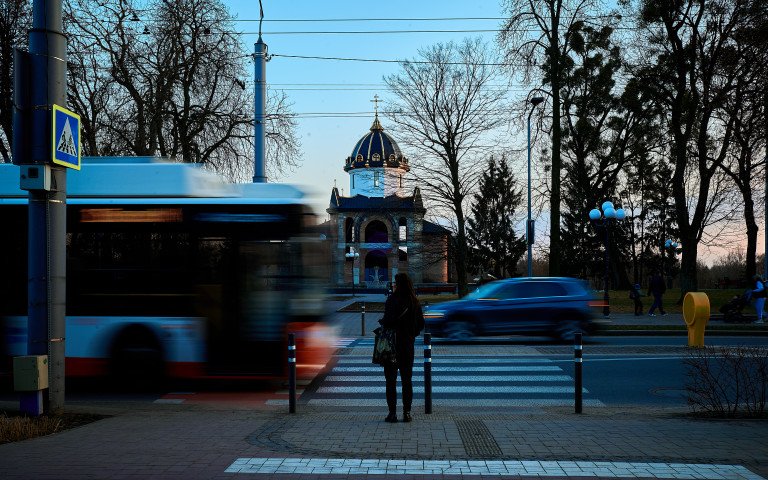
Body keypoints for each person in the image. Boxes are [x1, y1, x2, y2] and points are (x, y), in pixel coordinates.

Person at [378, 272, 425, 423]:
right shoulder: (414, 302)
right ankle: (407, 413)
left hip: (392, 347)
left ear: (398, 284)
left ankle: (392, 413)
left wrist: (383, 322)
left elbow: (388, 321)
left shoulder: (391, 300)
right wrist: (411, 334)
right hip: (407, 346)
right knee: (407, 380)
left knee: (390, 381)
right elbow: (421, 324)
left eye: (395, 283)